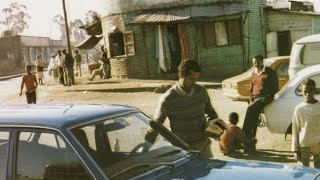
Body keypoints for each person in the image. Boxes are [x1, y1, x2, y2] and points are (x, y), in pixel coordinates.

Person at [145, 60, 218, 158]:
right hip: (182, 152)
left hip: (204, 148)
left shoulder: (201, 91)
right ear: (181, 76)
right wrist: (145, 148)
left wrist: (216, 130)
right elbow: (156, 126)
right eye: (191, 79)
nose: (194, 82)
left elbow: (211, 113)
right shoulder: (168, 99)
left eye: (196, 79)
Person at [242, 55, 278, 148]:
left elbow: (275, 88)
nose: (256, 65)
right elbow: (252, 88)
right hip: (255, 98)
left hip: (266, 97)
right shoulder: (253, 73)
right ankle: (250, 144)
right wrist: (251, 99)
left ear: (262, 62)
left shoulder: (269, 72)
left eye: (258, 63)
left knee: (250, 109)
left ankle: (243, 134)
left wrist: (269, 95)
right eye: (254, 63)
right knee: (253, 119)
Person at [291, 79, 320, 168]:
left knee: (318, 171)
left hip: (318, 144)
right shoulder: (299, 108)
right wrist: (295, 149)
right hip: (304, 144)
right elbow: (295, 129)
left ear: (314, 90)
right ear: (301, 91)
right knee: (304, 171)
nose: (308, 94)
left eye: (310, 90)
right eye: (305, 91)